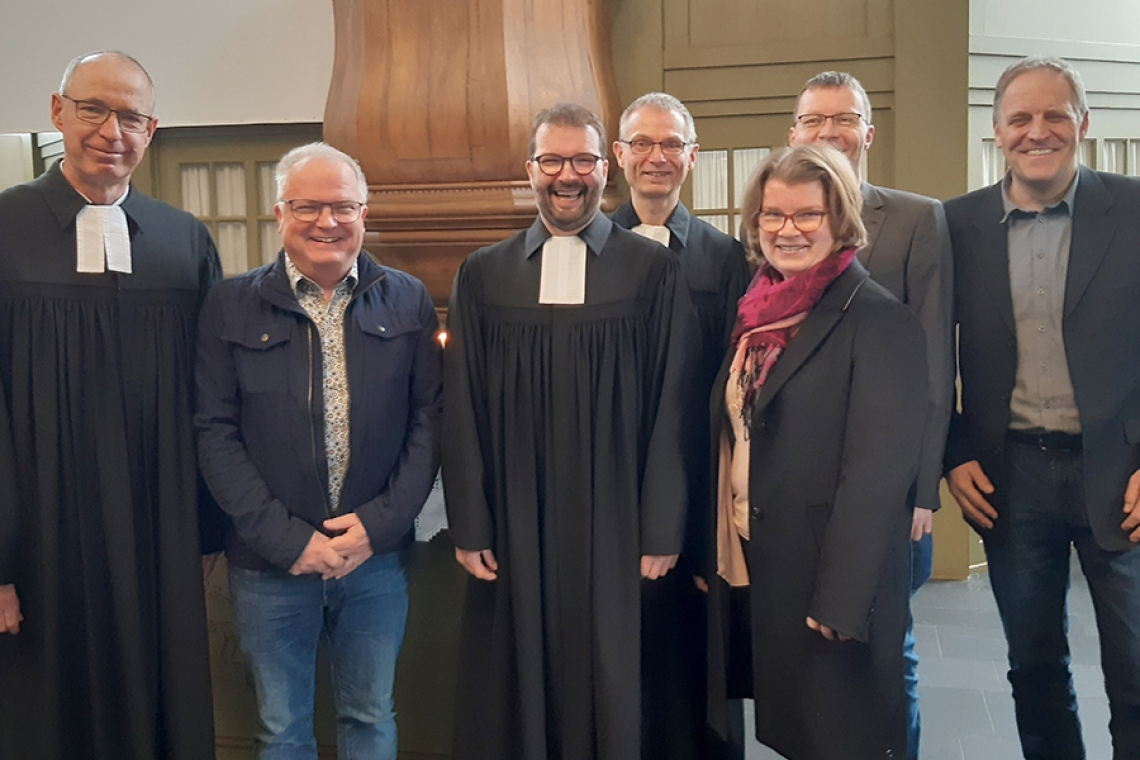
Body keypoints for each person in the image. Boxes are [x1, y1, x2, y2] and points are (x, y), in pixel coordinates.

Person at [443, 102, 693, 760]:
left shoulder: (652, 271)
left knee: (614, 671)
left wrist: (662, 524)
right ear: (530, 171)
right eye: (552, 160)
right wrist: (470, 521)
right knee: (518, 671)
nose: (567, 175)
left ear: (604, 170)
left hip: (617, 521)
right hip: (517, 520)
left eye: (582, 160)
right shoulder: (484, 274)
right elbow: (460, 405)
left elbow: (674, 401)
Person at [0, 51, 220, 759]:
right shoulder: (3, 230)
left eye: (130, 115)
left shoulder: (184, 242)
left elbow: (212, 397)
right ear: (58, 110)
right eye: (93, 108)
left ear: (151, 129)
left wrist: (206, 529)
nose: (111, 130)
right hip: (39, 534)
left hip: (157, 531)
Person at [195, 142, 442, 759]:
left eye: (343, 207)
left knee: (370, 716)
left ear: (364, 212)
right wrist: (289, 541)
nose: (326, 222)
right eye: (308, 206)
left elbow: (429, 423)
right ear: (280, 212)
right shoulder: (230, 304)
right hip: (268, 564)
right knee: (281, 728)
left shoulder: (407, 299)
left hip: (374, 562)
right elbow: (215, 433)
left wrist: (377, 529)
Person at [944, 56, 1140, 759]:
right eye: (1021, 118)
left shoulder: (1135, 209)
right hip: (1011, 479)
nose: (1039, 130)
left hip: (1121, 477)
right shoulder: (956, 225)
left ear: (1083, 124)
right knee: (1033, 668)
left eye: (1056, 114)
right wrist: (953, 450)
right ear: (997, 132)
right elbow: (930, 356)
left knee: (1136, 673)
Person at [708, 144, 927, 759]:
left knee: (841, 738)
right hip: (766, 561)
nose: (788, 230)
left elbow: (878, 475)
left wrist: (844, 595)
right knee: (796, 733)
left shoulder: (879, 320)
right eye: (772, 215)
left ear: (840, 220)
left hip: (832, 579)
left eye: (807, 215)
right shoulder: (754, 316)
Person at [787, 70, 954, 759]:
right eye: (814, 120)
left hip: (885, 487)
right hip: (796, 487)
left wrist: (921, 488)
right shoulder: (777, 218)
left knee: (888, 654)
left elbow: (934, 365)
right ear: (794, 133)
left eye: (844, 118)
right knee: (809, 653)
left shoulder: (916, 219)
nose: (829, 132)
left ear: (868, 133)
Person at [610, 92, 751, 760]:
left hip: (697, 483)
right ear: (619, 156)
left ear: (691, 158)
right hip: (608, 484)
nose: (656, 157)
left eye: (671, 145)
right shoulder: (589, 251)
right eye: (642, 143)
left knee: (696, 650)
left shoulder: (726, 259)